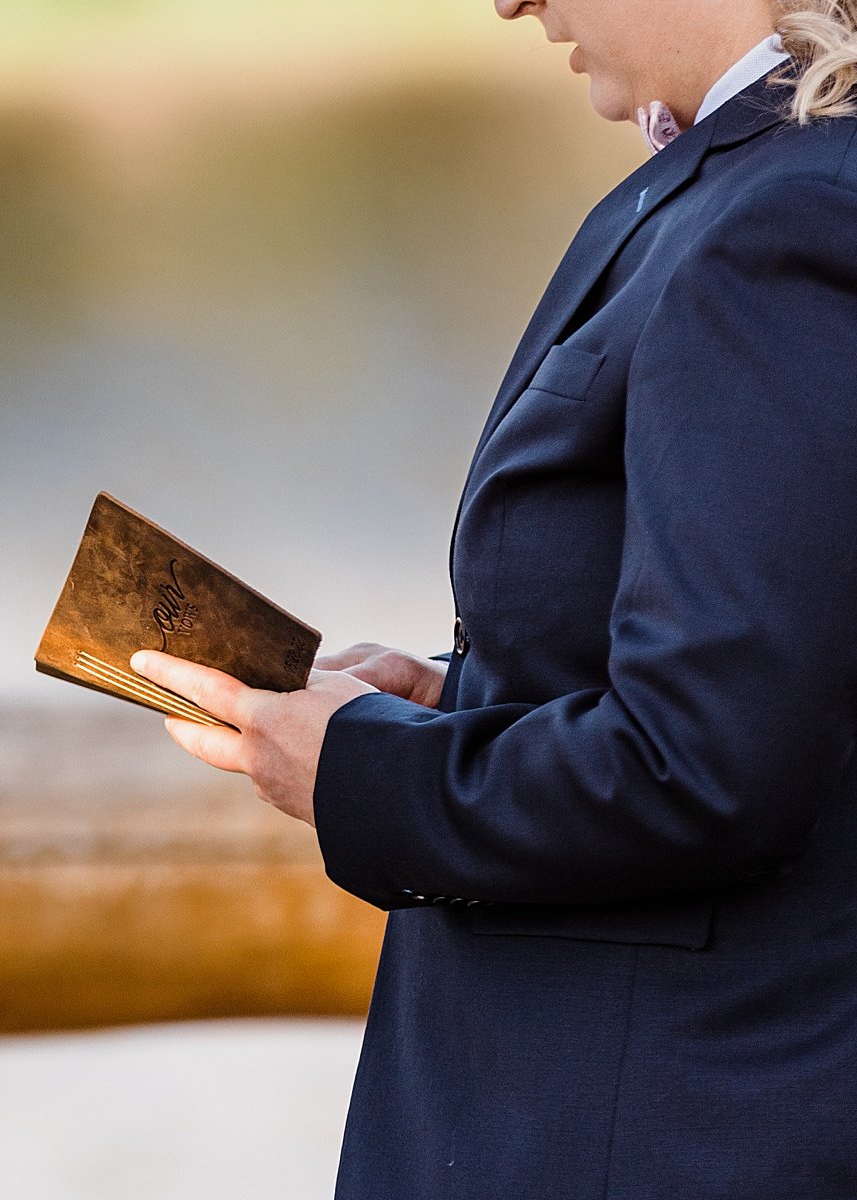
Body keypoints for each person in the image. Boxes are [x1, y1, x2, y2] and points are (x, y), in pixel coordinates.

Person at [134, 1, 857, 1195]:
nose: (513, 1)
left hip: (667, 1137)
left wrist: (363, 773)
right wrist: (465, 696)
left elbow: (708, 766)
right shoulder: (742, 187)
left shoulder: (790, 217)